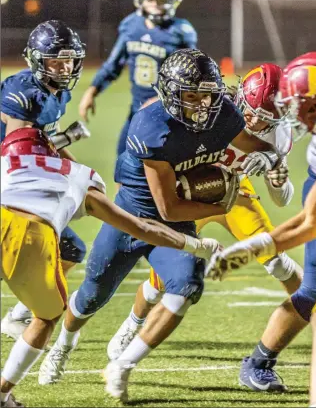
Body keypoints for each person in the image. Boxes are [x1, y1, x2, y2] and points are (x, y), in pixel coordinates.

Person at [39, 48, 282, 402]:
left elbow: (251, 143)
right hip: (134, 217)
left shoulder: (225, 115)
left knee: (187, 284)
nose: (202, 104)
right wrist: (223, 201)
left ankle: (123, 365)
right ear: (171, 94)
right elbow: (167, 208)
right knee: (92, 295)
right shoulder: (152, 127)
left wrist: (267, 155)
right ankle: (63, 345)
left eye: (208, 95)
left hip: (177, 223)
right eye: (192, 96)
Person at [0, 127, 221, 407]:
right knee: (45, 318)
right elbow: (140, 227)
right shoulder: (76, 173)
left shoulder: (4, 164)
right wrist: (196, 246)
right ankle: (2, 393)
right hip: (31, 234)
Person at [106, 63, 303, 362]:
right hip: (192, 189)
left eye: (264, 120)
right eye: (251, 112)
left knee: (275, 258)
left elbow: (282, 200)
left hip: (236, 191)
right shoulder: (214, 109)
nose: (253, 122)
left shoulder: (278, 135)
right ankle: (133, 322)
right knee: (162, 276)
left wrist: (276, 172)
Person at [207, 51, 316, 397]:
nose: (293, 114)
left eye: (301, 104)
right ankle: (262, 364)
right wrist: (247, 251)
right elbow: (311, 221)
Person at [1, 20, 91, 341]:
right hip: (10, 185)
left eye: (69, 59)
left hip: (20, 183)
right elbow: (19, 154)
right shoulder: (22, 94)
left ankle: (20, 314)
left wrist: (71, 158)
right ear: (37, 60)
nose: (65, 67)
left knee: (70, 249)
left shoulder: (59, 92)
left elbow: (39, 143)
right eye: (56, 60)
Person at [79, 0, 197, 159]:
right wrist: (92, 90)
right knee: (124, 161)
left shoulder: (181, 30)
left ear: (172, 0)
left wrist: (166, 100)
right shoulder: (131, 25)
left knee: (166, 164)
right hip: (137, 109)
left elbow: (192, 76)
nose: (155, 3)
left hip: (170, 112)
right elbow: (114, 64)